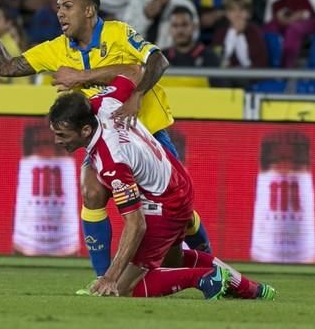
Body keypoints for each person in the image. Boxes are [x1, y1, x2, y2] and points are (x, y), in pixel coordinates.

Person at [0, 0, 212, 285]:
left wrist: (127, 91)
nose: (60, 13)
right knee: (92, 192)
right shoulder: (56, 49)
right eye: (58, 7)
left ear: (89, 10)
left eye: (67, 6)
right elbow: (6, 66)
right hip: (106, 142)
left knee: (179, 220)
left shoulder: (117, 33)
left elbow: (157, 60)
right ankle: (101, 280)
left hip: (149, 139)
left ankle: (211, 266)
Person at [47, 75, 276, 300]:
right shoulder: (105, 101)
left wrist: (110, 277)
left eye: (62, 135)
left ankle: (206, 277)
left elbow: (136, 225)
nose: (57, 140)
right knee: (173, 263)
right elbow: (130, 76)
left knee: (125, 288)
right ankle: (253, 289)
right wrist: (131, 93)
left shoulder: (112, 162)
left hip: (164, 203)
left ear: (86, 130)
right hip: (177, 182)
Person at [212, 0, 268, 69]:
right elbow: (217, 60)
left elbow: (259, 63)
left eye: (241, 10)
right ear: (226, 13)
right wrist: (232, 34)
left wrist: (240, 35)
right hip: (224, 77)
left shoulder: (255, 32)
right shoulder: (220, 33)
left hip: (251, 77)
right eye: (232, 10)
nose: (237, 14)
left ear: (249, 13)